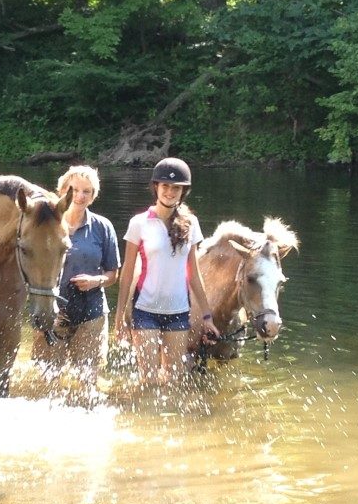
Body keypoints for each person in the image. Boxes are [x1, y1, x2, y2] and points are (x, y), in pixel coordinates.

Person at [113, 157, 220, 385]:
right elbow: (127, 271)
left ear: (183, 191)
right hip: (145, 310)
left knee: (174, 381)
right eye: (165, 186)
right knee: (149, 381)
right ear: (156, 187)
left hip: (179, 311)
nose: (169, 192)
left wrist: (207, 317)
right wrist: (120, 316)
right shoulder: (139, 223)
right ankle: (143, 420)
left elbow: (194, 274)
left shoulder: (191, 223)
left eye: (176, 188)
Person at [32, 165, 120, 386]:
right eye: (74, 190)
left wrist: (96, 281)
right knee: (48, 385)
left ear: (93, 196)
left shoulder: (103, 227)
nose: (79, 196)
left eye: (86, 191)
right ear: (62, 190)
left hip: (92, 312)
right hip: (53, 312)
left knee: (87, 385)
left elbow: (113, 274)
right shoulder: (46, 225)